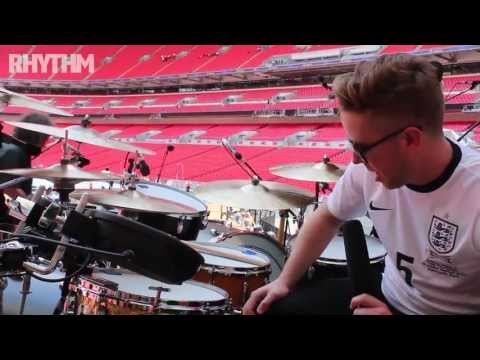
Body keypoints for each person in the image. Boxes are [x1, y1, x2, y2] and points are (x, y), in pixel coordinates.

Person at [243, 54, 480, 315]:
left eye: (361, 148)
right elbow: (327, 217)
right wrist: (284, 281)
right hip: (387, 292)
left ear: (410, 139)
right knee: (274, 309)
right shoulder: (368, 167)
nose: (354, 159)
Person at [0, 113, 53, 225]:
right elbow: (10, 188)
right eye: (46, 138)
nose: (45, 144)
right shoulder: (14, 151)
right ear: (39, 136)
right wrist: (34, 212)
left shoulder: (14, 148)